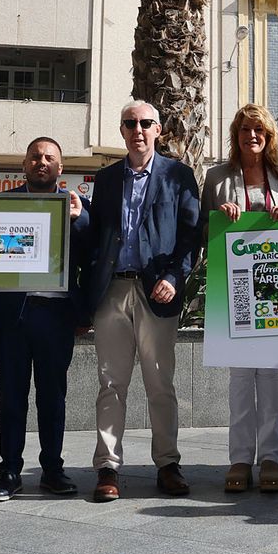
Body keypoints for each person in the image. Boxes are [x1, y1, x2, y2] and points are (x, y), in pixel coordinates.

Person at [83, 100, 202, 503]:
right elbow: (96, 234)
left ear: (158, 130)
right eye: (130, 123)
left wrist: (174, 276)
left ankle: (167, 463)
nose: (138, 130)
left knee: (160, 383)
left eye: (146, 123)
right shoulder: (106, 179)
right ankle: (107, 467)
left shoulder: (178, 175)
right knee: (111, 384)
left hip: (157, 291)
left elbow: (191, 235)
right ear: (122, 130)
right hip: (112, 291)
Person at [0, 137, 92, 501]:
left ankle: (52, 470)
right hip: (10, 316)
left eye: (49, 158)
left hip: (56, 316)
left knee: (52, 397)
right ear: (24, 164)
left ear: (60, 168)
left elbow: (93, 254)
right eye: (35, 157)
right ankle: (9, 471)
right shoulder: (1, 203)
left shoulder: (76, 205)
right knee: (11, 397)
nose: (41, 162)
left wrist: (77, 220)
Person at [201, 105, 278, 493]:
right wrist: (220, 214)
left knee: (272, 377)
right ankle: (240, 459)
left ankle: (272, 457)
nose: (252, 136)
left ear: (269, 136)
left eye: (259, 130)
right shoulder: (216, 178)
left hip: (277, 288)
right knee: (241, 378)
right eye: (245, 129)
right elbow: (202, 229)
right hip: (234, 289)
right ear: (236, 135)